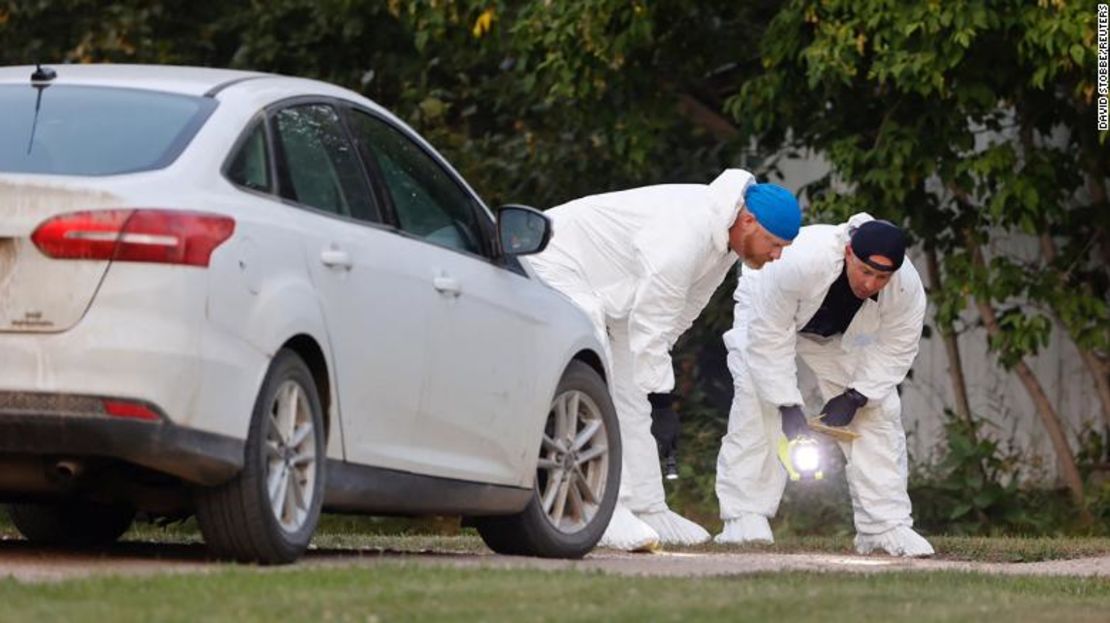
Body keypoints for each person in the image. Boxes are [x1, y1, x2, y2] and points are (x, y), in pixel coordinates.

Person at [527, 169, 801, 551]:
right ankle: (606, 509)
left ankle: (648, 507)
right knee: (598, 368)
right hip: (552, 257)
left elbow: (678, 317)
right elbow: (653, 321)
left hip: (613, 290)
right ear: (748, 221)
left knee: (632, 389)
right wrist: (661, 400)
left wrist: (654, 393)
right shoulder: (687, 233)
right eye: (774, 244)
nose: (777, 256)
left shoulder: (723, 244)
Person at [714, 214, 934, 557]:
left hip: (833, 335)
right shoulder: (798, 261)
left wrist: (857, 395)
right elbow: (769, 340)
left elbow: (897, 347)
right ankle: (745, 517)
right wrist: (788, 405)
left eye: (882, 277)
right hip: (768, 315)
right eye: (865, 271)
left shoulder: (906, 288)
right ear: (849, 252)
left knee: (879, 411)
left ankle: (884, 526)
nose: (871, 284)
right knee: (757, 402)